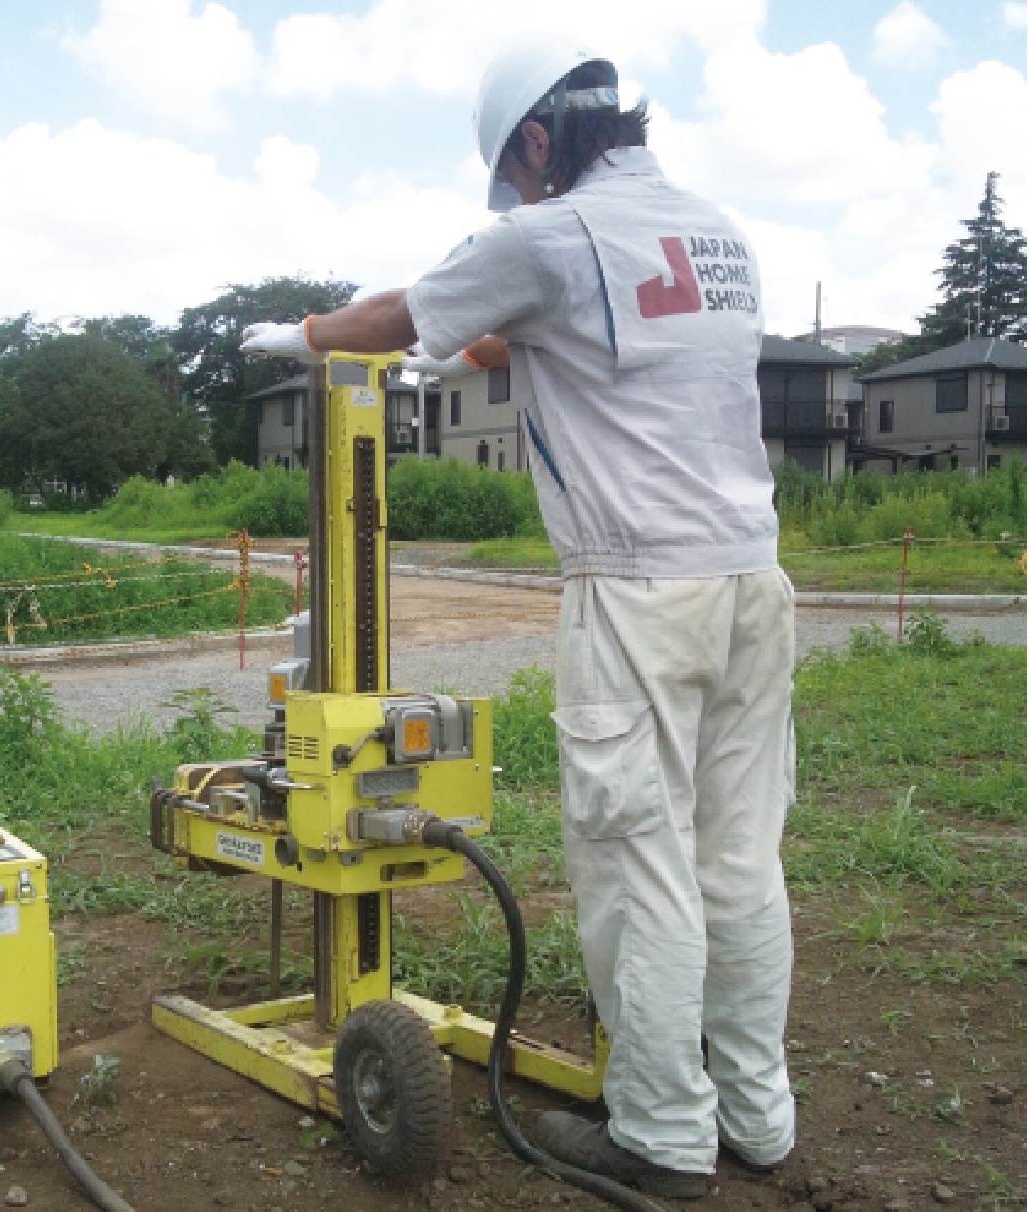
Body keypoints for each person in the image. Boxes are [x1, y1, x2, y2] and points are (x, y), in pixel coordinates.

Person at [240, 39, 796, 1203]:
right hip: (751, 583)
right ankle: (757, 1116)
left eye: (520, 172)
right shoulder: (718, 238)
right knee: (739, 863)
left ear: (538, 143)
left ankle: (661, 1135)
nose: (522, 195)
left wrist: (303, 337)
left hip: (637, 593)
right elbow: (526, 335)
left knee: (639, 868)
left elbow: (405, 314)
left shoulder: (549, 237)